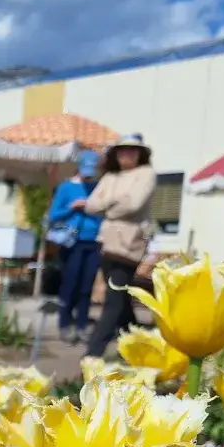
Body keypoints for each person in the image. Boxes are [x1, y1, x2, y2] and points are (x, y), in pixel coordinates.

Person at [84, 134, 158, 358]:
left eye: (132, 150)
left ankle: (92, 353)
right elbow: (90, 205)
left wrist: (107, 207)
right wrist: (115, 202)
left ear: (140, 154)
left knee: (114, 300)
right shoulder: (110, 176)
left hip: (129, 244)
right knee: (121, 297)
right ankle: (140, 349)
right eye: (122, 150)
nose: (127, 154)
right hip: (107, 243)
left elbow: (134, 203)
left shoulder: (146, 174)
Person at [48, 150, 103, 343]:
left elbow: (103, 212)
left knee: (87, 287)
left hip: (94, 241)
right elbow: (53, 216)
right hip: (72, 242)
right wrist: (72, 207)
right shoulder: (66, 187)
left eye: (92, 170)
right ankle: (64, 324)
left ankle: (81, 325)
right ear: (79, 167)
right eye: (86, 170)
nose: (89, 174)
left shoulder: (97, 187)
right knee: (70, 284)